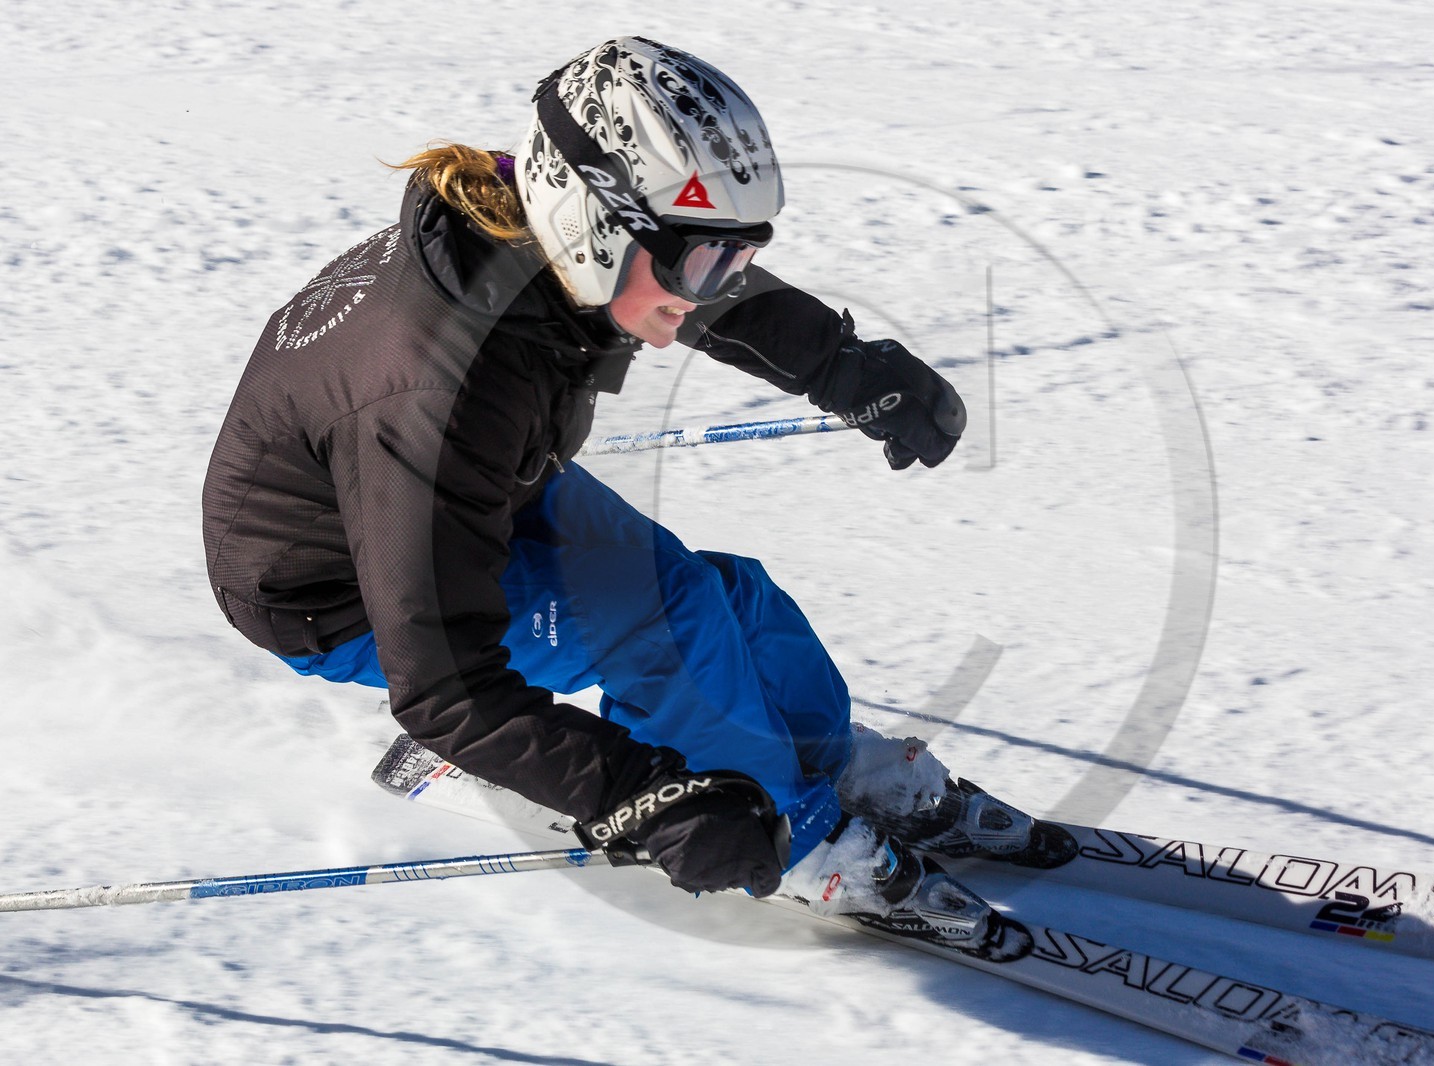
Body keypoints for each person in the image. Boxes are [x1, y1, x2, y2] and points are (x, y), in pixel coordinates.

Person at [202, 37, 1068, 957]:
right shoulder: (438, 394)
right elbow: (445, 687)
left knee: (724, 595)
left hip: (482, 489)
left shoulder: (522, 229)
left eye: (739, 259)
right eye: (704, 266)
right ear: (595, 223)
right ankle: (793, 836)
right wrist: (647, 799)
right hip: (342, 597)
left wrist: (845, 367)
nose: (712, 294)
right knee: (669, 623)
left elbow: (692, 278)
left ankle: (817, 766)